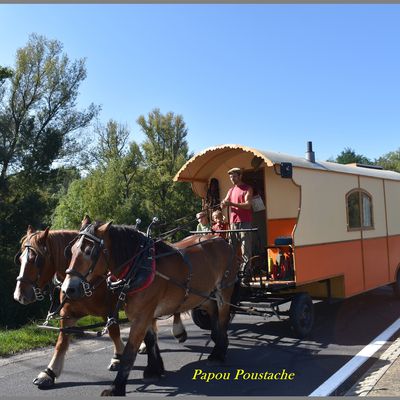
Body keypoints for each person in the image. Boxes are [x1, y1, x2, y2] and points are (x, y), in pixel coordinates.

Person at [221, 167, 253, 281]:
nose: (232, 178)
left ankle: (246, 275)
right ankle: (232, 274)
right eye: (230, 177)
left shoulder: (247, 188)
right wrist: (223, 204)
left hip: (245, 222)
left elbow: (248, 205)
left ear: (240, 176)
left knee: (246, 249)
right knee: (231, 249)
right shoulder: (231, 190)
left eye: (234, 176)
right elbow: (224, 202)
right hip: (233, 223)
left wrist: (232, 203)